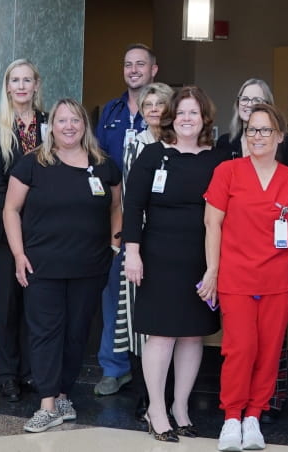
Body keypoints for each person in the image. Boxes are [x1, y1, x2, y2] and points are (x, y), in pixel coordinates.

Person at [3, 98, 122, 433]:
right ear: (50, 126)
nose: (69, 126)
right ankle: (47, 403)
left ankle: (63, 395)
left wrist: (114, 245)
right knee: (45, 333)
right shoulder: (32, 164)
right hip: (42, 265)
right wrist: (18, 254)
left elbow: (117, 207)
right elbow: (11, 209)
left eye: (75, 120)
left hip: (90, 266)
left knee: (76, 334)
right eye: (61, 121)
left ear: (85, 126)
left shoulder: (104, 165)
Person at [204, 103, 288, 452]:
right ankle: (232, 417)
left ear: (280, 136)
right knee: (240, 348)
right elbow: (212, 224)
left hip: (279, 280)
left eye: (265, 130)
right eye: (252, 130)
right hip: (236, 278)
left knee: (269, 350)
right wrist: (213, 271)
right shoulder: (227, 171)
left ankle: (254, 417)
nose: (257, 136)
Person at [124, 86, 225, 442]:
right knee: (163, 332)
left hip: (201, 257)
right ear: (172, 117)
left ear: (204, 119)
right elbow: (133, 206)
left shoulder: (217, 158)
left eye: (193, 113)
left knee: (193, 333)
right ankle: (156, 409)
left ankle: (181, 407)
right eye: (181, 112)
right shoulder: (153, 155)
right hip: (158, 256)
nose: (186, 119)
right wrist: (132, 252)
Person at [93, 42, 158, 395]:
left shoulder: (165, 109)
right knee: (114, 293)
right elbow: (101, 163)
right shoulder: (110, 111)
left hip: (159, 218)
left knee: (154, 293)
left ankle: (153, 369)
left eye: (140, 64)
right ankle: (113, 367)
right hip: (118, 216)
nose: (133, 70)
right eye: (128, 64)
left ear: (153, 70)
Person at [0, 59, 46, 402]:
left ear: (36, 85)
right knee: (7, 304)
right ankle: (6, 374)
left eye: (27, 80)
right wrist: (15, 222)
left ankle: (31, 371)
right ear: (7, 87)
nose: (21, 86)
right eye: (14, 80)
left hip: (44, 231)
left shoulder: (50, 124)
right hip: (6, 229)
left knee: (36, 304)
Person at [115, 82, 172, 391]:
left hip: (171, 240)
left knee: (169, 318)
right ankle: (144, 394)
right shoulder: (134, 143)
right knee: (138, 317)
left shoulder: (178, 143)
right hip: (140, 240)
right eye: (147, 104)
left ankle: (169, 392)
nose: (152, 110)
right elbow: (128, 194)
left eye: (159, 104)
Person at [216, 78, 288, 169]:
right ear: (238, 104)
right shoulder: (225, 142)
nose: (249, 104)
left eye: (256, 100)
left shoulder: (284, 141)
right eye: (244, 99)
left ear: (268, 105)